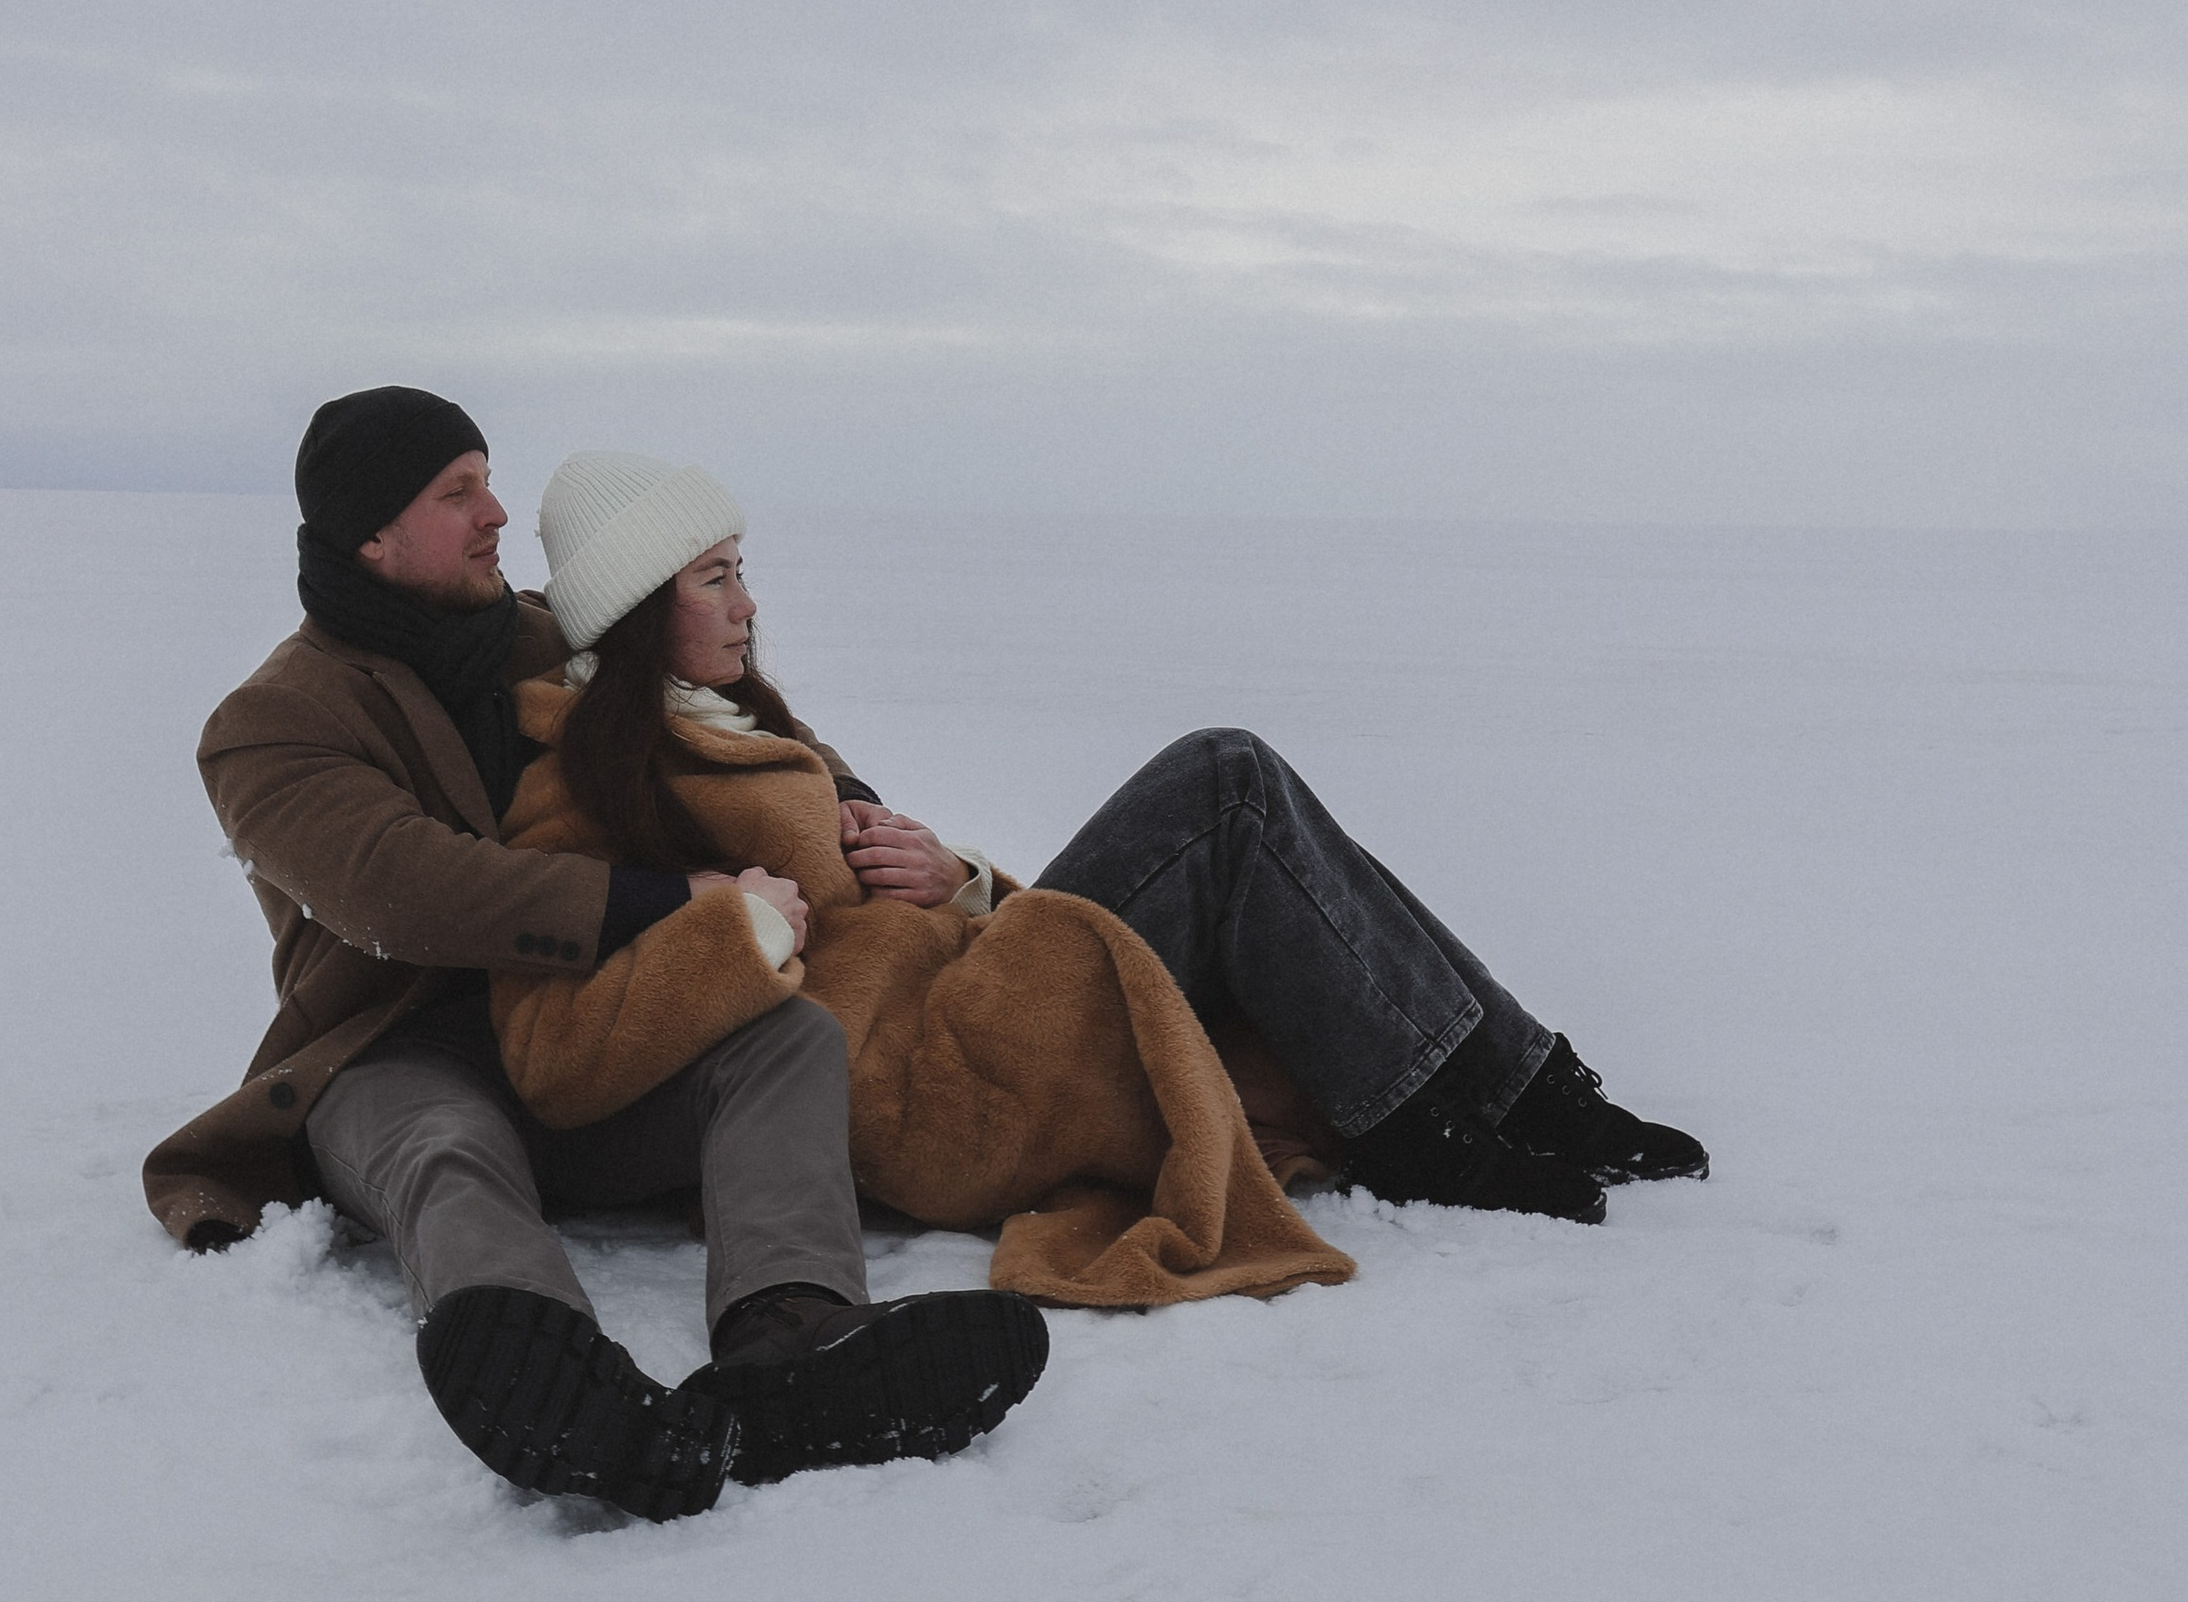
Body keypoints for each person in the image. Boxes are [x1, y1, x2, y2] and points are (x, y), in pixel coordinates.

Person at [144, 388, 1049, 1523]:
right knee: (444, 1144)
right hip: (397, 1048)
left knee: (784, 1040)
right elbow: (402, 888)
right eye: (457, 493)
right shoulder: (273, 722)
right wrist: (673, 899)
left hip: (592, 1031)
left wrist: (851, 806)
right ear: (371, 536)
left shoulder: (543, 634)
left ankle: (795, 1336)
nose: (495, 513)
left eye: (488, 481)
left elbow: (720, 707)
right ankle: (550, 1377)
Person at [510, 452, 1707, 1239]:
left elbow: (902, 907)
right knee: (1226, 784)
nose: (748, 603)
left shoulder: (739, 725)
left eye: (742, 572)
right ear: (637, 609)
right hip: (932, 1093)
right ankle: (1436, 1125)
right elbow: (555, 1058)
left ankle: (1521, 1089)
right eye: (714, 579)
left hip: (980, 1010)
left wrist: (959, 881)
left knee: (1261, 819)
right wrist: (737, 929)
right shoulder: (586, 776)